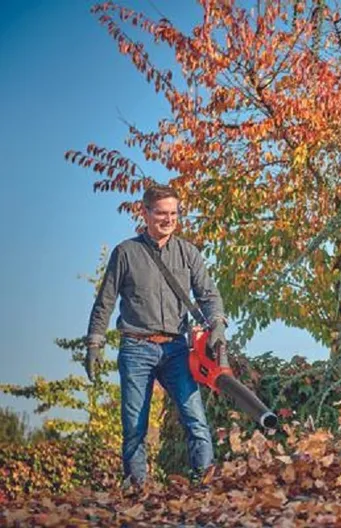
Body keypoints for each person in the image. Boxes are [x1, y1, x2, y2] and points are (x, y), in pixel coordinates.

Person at [84, 184, 227, 490]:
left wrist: (217, 323)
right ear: (145, 213)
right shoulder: (126, 253)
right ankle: (138, 490)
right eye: (161, 213)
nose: (168, 219)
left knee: (196, 420)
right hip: (136, 347)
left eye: (174, 213)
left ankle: (207, 488)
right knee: (135, 425)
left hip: (177, 349)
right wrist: (95, 343)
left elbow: (208, 295)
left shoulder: (188, 253)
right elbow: (105, 302)